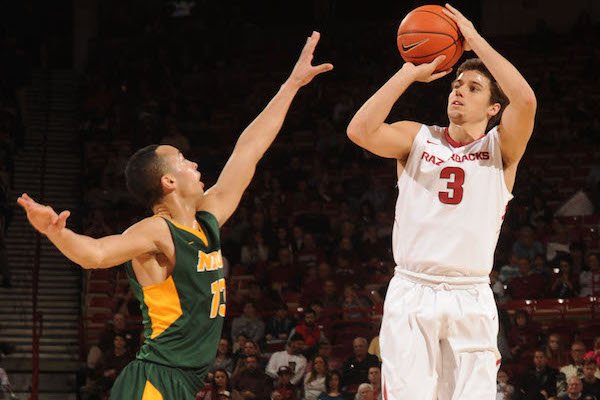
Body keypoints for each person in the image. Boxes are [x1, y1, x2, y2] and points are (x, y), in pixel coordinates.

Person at [16, 32, 332, 400]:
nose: (195, 163)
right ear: (168, 181)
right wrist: (55, 232)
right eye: (183, 161)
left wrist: (292, 85)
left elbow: (249, 149)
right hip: (155, 381)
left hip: (183, 381)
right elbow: (97, 254)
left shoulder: (206, 218)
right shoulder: (156, 231)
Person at [346, 4, 536, 399]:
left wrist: (475, 41)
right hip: (413, 289)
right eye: (455, 85)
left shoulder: (502, 148)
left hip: (470, 293)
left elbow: (527, 101)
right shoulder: (417, 137)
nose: (458, 92)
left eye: (472, 88)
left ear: (493, 108)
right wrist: (408, 72)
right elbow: (360, 130)